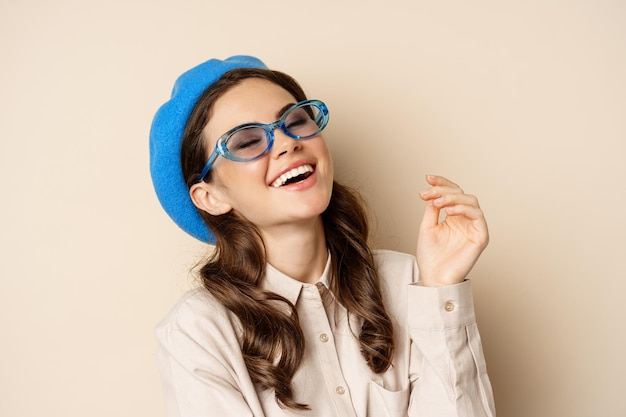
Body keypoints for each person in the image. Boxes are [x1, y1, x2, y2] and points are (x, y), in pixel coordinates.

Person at [149, 55, 496, 417]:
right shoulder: (198, 331)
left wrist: (441, 287)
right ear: (211, 197)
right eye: (246, 141)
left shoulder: (408, 281)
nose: (286, 142)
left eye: (295, 120)